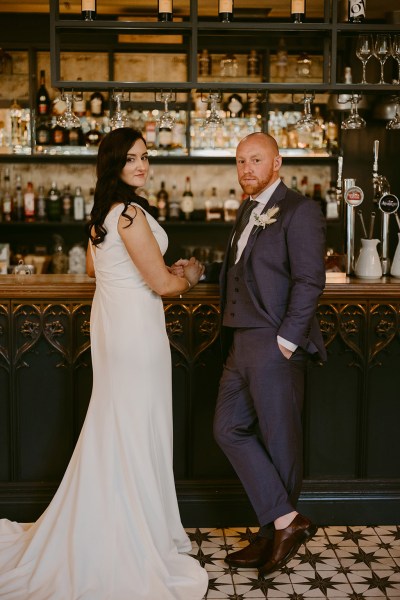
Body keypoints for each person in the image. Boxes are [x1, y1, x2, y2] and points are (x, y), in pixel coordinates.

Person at [0, 128, 208, 600]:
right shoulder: (131, 214)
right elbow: (162, 286)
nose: (141, 165)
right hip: (136, 333)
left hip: (114, 327)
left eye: (145, 156)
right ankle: (136, 533)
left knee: (120, 423)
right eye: (131, 158)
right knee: (137, 426)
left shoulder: (103, 215)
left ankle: (122, 521)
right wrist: (189, 274)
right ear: (113, 164)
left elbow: (100, 270)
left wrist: (159, 271)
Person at [213, 132, 326, 577]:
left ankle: (271, 534)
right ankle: (284, 522)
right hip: (240, 340)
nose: (246, 169)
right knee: (227, 427)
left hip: (274, 339)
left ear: (276, 163)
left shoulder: (300, 210)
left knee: (280, 441)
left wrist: (287, 339)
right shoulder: (248, 208)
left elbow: (309, 280)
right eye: (240, 161)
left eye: (255, 160)